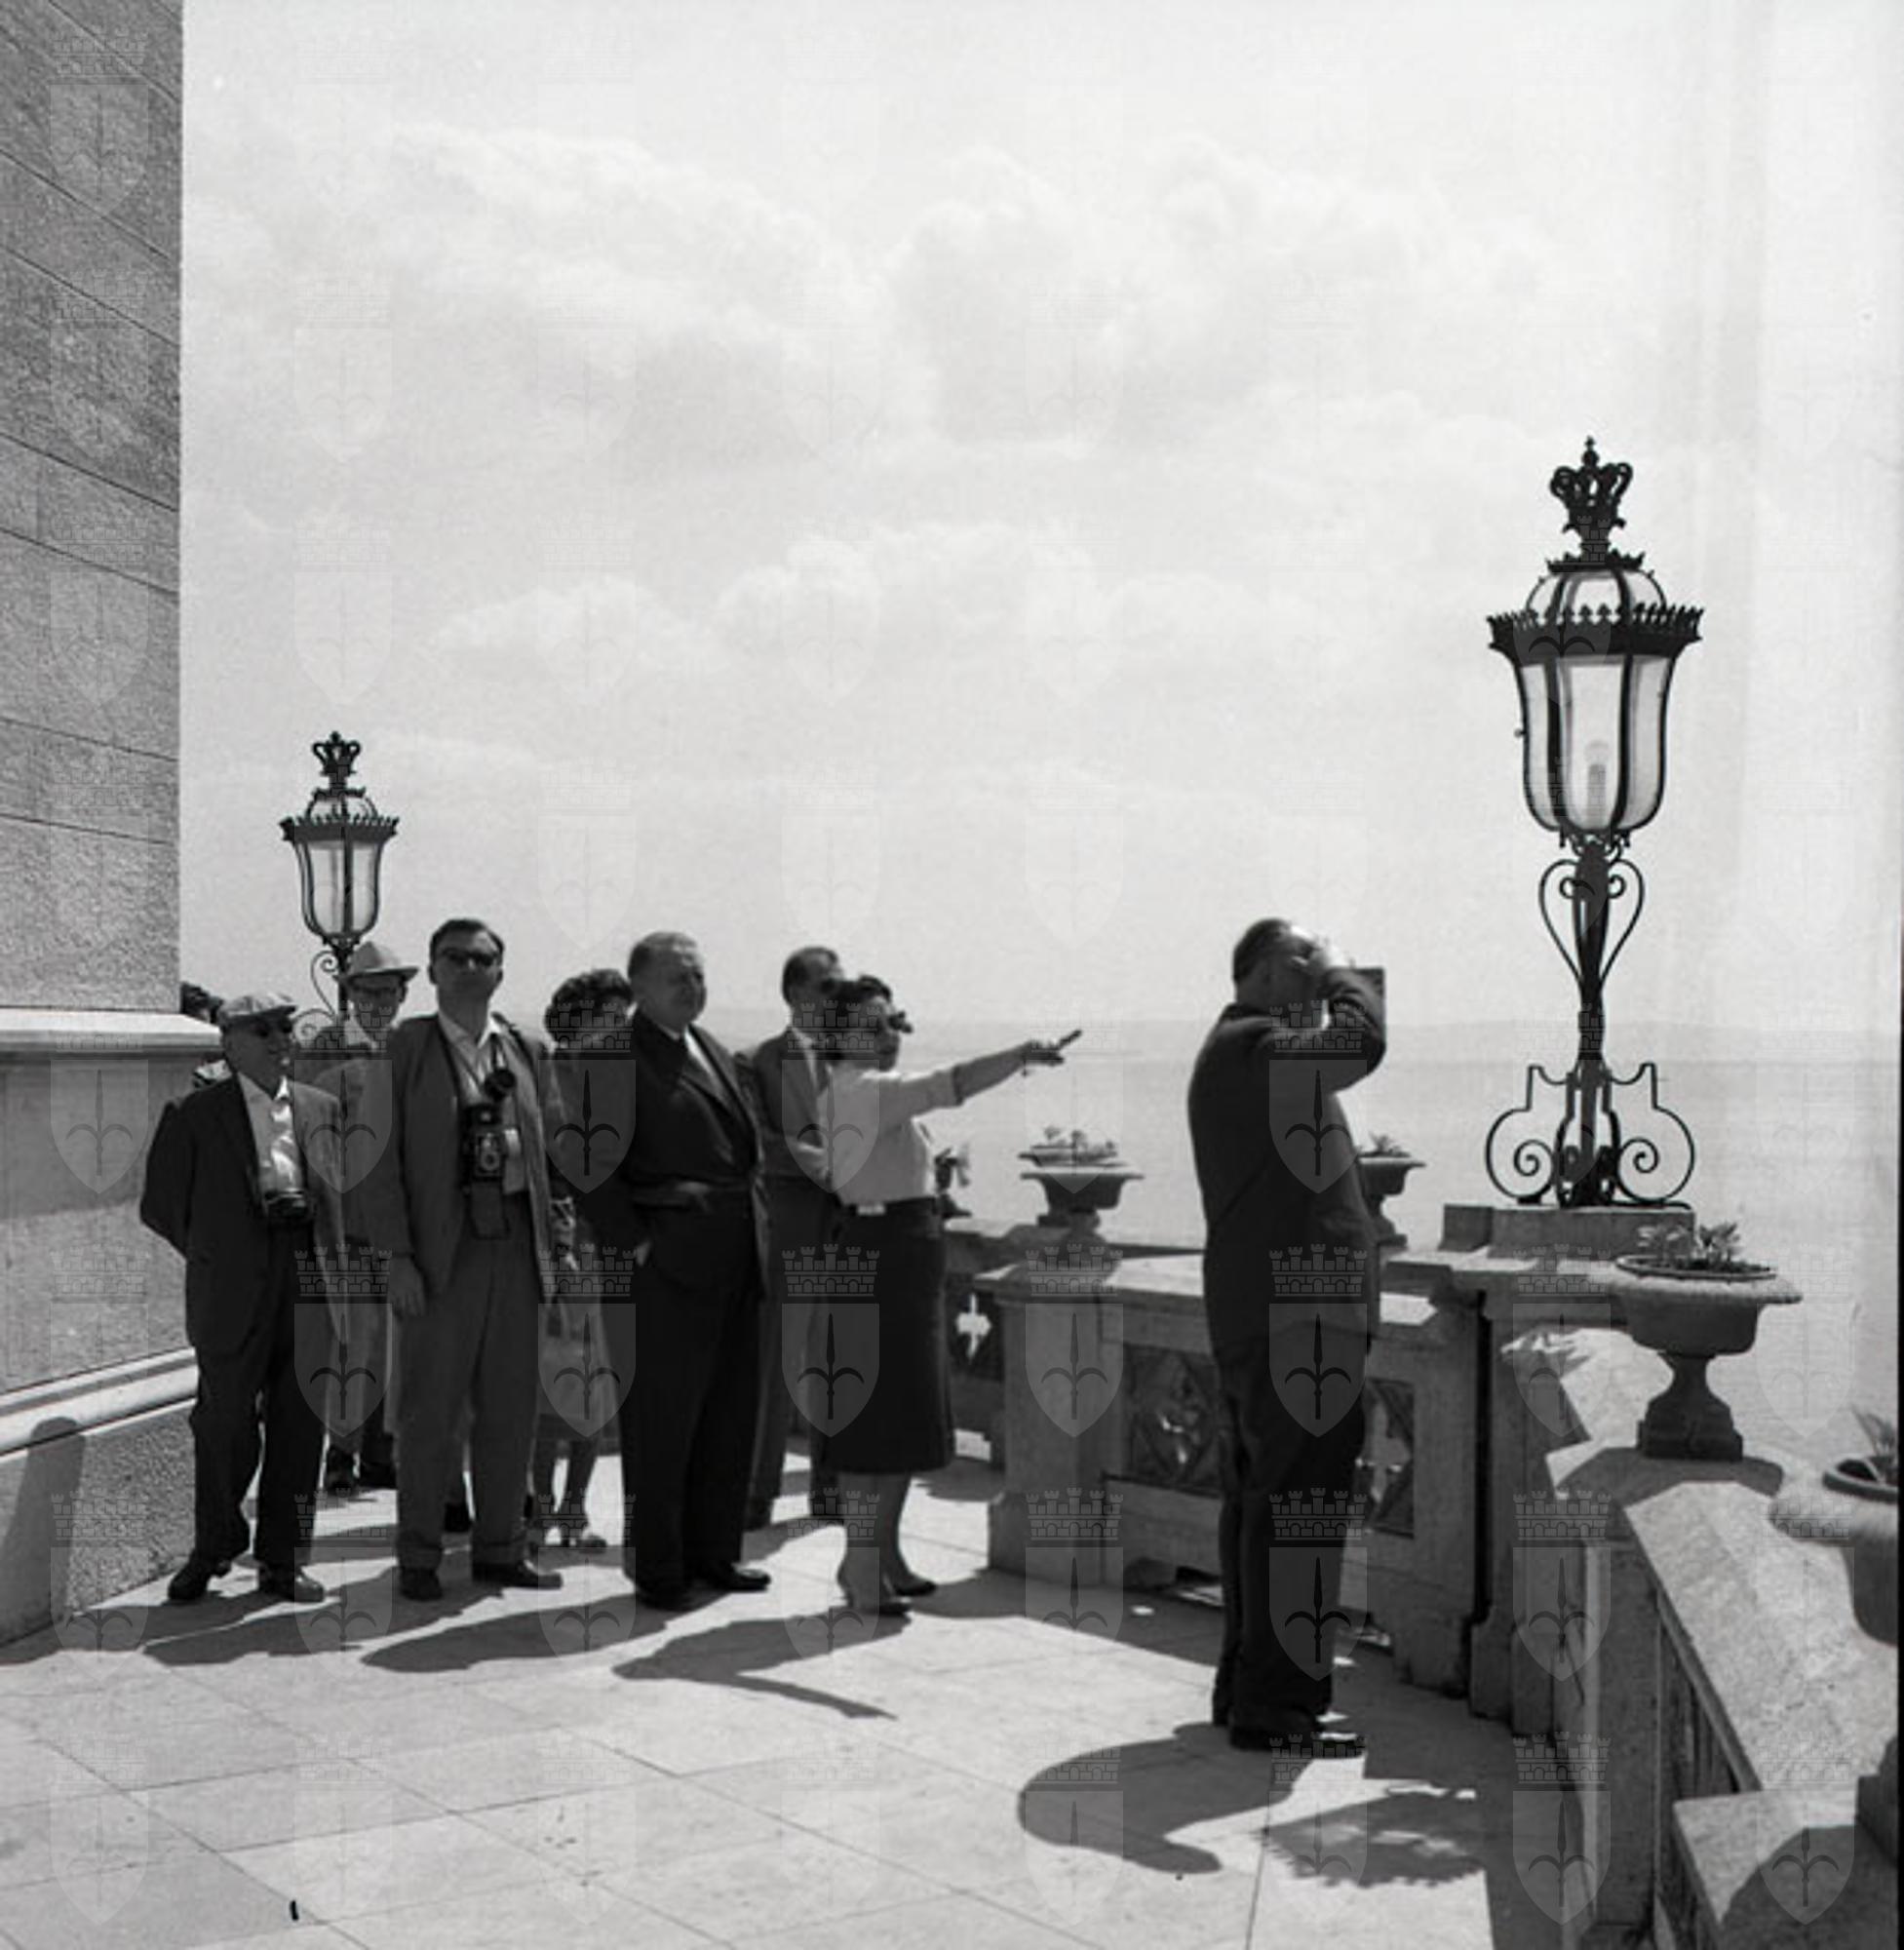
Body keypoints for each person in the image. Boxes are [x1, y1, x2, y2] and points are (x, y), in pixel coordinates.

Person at [1186, 917, 1385, 1754]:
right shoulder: (1254, 1047)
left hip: (1273, 1310)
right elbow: (1360, 1041)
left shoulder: (1247, 1053)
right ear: (1270, 970)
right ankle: (1277, 1707)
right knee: (1297, 1510)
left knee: (1263, 1506)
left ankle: (1248, 1689)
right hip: (1296, 1318)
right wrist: (1342, 973)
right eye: (1306, 964)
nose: (1321, 981)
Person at [813, 976, 1071, 1615]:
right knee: (873, 1421)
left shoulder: (872, 1093)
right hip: (879, 1260)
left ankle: (885, 1555)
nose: (888, 1035)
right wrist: (1019, 1055)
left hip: (905, 1258)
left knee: (904, 1415)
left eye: (892, 1022)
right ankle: (861, 1563)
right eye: (872, 1025)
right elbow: (947, 1084)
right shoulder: (858, 1090)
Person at [360, 918, 572, 1602]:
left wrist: (560, 1245)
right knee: (429, 1413)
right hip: (438, 1255)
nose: (470, 968)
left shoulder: (526, 1050)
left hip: (514, 1245)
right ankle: (419, 1555)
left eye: (484, 958)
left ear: (500, 973)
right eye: (455, 957)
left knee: (511, 1410)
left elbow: (554, 1162)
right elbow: (378, 1163)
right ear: (432, 971)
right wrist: (396, 1257)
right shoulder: (406, 1048)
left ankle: (501, 1549)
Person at [576, 932, 769, 1611]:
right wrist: (635, 1244)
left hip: (735, 1259)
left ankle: (714, 1552)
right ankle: (659, 1567)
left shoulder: (712, 1048)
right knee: (661, 1424)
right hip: (664, 1267)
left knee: (727, 1416)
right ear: (639, 988)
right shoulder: (612, 1057)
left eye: (698, 975)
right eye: (677, 977)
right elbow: (587, 1166)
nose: (692, 988)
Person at [138, 993, 345, 1605]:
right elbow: (161, 1207)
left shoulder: (321, 1109)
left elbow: (340, 1196)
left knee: (301, 1426)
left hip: (307, 1277)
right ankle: (214, 1545)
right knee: (223, 1422)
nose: (280, 1039)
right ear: (229, 1043)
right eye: (262, 1030)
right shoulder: (193, 1115)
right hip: (230, 1287)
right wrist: (218, 1252)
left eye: (285, 1027)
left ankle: (285, 1560)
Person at [296, 938, 416, 1497]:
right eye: (368, 992)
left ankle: (381, 1453)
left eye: (388, 992)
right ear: (351, 994)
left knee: (395, 1344)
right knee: (353, 1342)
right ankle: (340, 1453)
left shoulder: (410, 1049)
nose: (379, 1002)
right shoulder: (325, 1050)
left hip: (401, 1225)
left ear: (402, 995)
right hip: (348, 1222)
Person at [737, 944, 843, 1531]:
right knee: (776, 1365)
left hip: (846, 1230)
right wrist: (828, 1164)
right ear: (795, 992)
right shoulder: (757, 1061)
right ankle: (756, 1493)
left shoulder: (853, 1060)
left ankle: (831, 1489)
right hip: (788, 1229)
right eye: (828, 987)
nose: (838, 997)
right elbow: (757, 1143)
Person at [533, 966, 634, 1552]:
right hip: (561, 1245)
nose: (620, 1030)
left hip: (611, 1245)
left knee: (598, 1387)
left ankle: (575, 1508)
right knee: (551, 1383)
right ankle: (541, 1506)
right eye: (610, 1019)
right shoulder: (548, 1074)